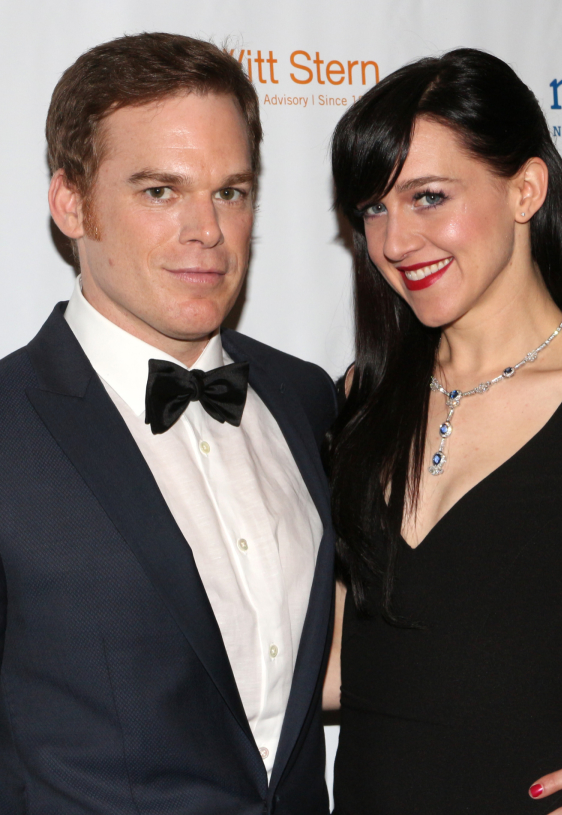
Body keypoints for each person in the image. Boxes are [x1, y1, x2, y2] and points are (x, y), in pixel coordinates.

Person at [0, 33, 337, 814]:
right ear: (71, 203)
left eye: (231, 192)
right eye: (160, 191)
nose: (207, 230)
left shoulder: (306, 397)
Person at [323, 47, 562, 814]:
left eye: (428, 196)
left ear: (526, 189)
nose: (395, 241)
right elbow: (341, 660)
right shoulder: (360, 398)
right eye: (374, 208)